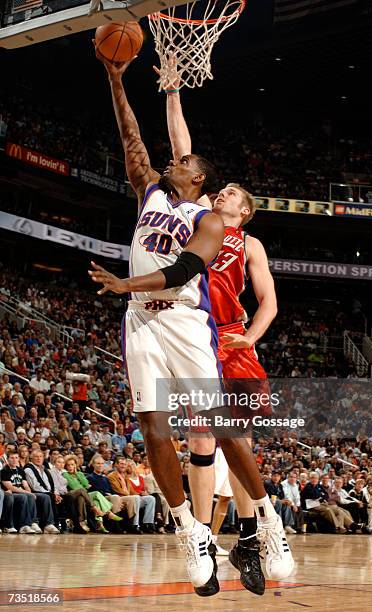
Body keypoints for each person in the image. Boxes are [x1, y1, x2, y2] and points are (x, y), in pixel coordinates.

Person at [92, 48, 293, 597]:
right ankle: (192, 529)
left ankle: (265, 526)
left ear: (200, 180)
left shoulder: (213, 223)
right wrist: (118, 78)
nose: (171, 162)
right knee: (159, 429)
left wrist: (125, 284)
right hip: (142, 320)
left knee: (228, 432)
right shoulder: (151, 190)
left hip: (192, 322)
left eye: (183, 163)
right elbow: (134, 136)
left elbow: (185, 270)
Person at [155, 55, 283, 596]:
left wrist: (249, 336)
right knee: (200, 441)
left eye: (233, 192)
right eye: (221, 188)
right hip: (198, 338)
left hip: (235, 344)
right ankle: (205, 542)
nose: (224, 191)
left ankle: (254, 535)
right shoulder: (203, 218)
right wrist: (173, 92)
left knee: (241, 444)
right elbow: (184, 149)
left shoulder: (250, 243)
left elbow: (270, 304)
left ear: (246, 210)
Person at [63, 455, 120, 533]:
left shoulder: (80, 474)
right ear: (66, 466)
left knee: (83, 497)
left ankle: (82, 522)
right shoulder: (65, 474)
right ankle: (103, 511)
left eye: (72, 464)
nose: (70, 467)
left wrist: (78, 475)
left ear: (76, 465)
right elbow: (74, 486)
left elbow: (86, 485)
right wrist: (83, 486)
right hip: (72, 496)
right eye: (68, 465)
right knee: (86, 491)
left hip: (83, 495)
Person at [108, 456, 155, 534]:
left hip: (130, 498)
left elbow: (132, 491)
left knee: (150, 498)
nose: (123, 466)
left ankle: (147, 524)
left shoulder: (126, 477)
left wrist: (141, 494)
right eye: (121, 464)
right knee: (135, 498)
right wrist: (132, 495)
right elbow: (117, 490)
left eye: (124, 464)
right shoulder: (112, 476)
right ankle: (135, 525)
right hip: (120, 498)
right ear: (116, 465)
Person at [0, 450, 39, 534]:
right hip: (12, 493)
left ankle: (33, 523)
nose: (14, 460)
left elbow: (25, 485)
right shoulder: (4, 471)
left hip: (21, 492)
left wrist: (29, 492)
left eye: (16, 458)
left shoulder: (21, 470)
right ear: (7, 459)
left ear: (18, 459)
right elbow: (10, 487)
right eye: (12, 458)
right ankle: (23, 526)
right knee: (24, 496)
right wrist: (27, 492)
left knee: (31, 496)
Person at [24, 449, 60, 533]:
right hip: (34, 492)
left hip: (48, 492)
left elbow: (53, 484)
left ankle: (59, 524)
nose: (38, 458)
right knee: (47, 496)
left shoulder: (45, 469)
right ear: (31, 458)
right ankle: (48, 524)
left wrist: (55, 493)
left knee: (66, 498)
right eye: (36, 457)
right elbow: (35, 486)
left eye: (40, 457)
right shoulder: (28, 469)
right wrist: (51, 494)